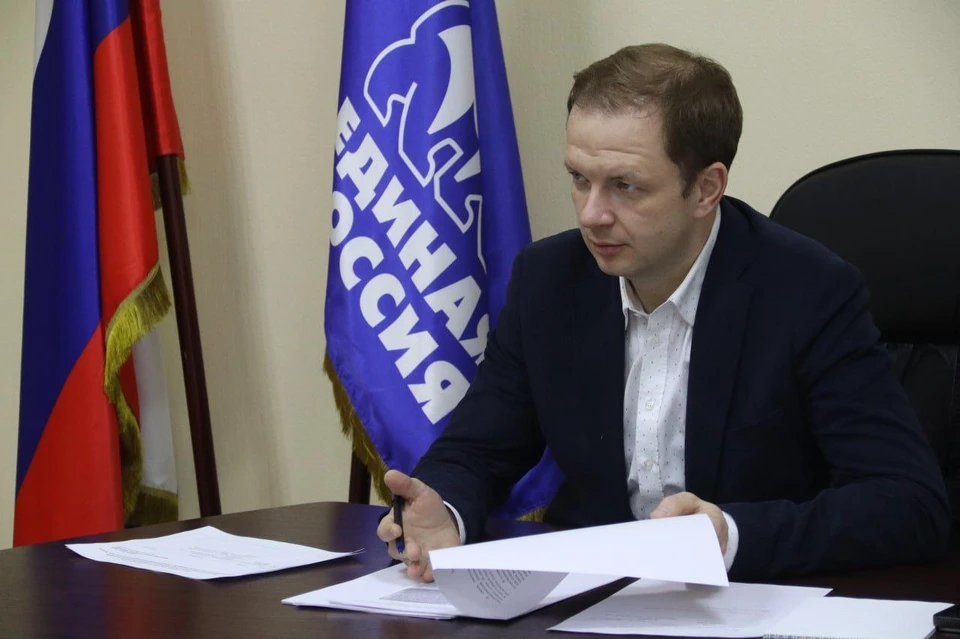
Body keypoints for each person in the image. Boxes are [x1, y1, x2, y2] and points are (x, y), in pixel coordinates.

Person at [376, 43, 951, 582]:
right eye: (579, 179)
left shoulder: (808, 292)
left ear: (706, 189)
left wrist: (729, 536)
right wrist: (446, 510)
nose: (592, 214)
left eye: (625, 186)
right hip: (590, 598)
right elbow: (478, 448)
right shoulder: (548, 280)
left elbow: (907, 503)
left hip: (748, 602)